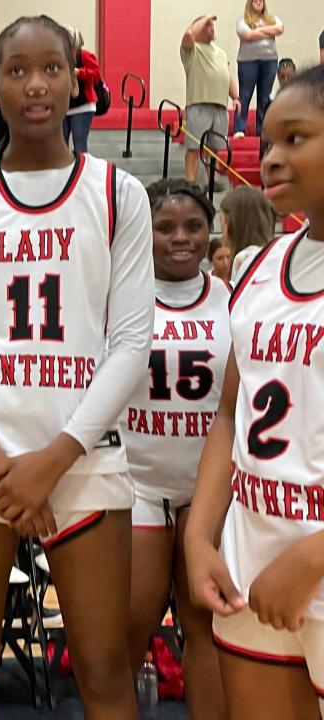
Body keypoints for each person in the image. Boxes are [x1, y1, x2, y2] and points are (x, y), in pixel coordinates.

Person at [0, 15, 154, 719]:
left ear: (75, 78)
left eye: (51, 67)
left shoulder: (118, 194)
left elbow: (131, 343)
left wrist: (51, 460)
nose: (35, 85)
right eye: (16, 70)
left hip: (81, 461)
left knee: (106, 669)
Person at [185, 63, 324, 720]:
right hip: (253, 554)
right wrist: (199, 535)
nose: (270, 157)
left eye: (295, 138)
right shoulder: (259, 267)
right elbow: (227, 416)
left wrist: (314, 556)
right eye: (267, 140)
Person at [123, 179, 230, 720]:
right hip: (138, 482)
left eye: (193, 226)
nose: (180, 238)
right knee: (130, 627)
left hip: (206, 487)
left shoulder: (233, 300)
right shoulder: (120, 298)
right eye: (165, 228)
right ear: (146, 232)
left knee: (203, 625)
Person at [181, 15, 242, 184]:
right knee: (194, 148)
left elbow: (226, 77)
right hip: (199, 105)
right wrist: (205, 18)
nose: (212, 28)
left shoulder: (220, 53)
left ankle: (212, 179)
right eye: (207, 26)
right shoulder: (192, 50)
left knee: (215, 148)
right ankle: (191, 182)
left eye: (212, 26)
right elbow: (188, 35)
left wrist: (235, 97)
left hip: (220, 107)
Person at [234, 0, 283, 138]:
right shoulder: (242, 21)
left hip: (270, 61)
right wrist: (268, 31)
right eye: (255, 1)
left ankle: (262, 130)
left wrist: (258, 30)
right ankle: (239, 129)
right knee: (245, 95)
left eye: (261, 0)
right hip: (247, 62)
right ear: (250, 4)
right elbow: (247, 35)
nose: (258, 2)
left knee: (264, 97)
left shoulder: (273, 19)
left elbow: (279, 29)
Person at [220, 185, 275, 284]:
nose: (221, 234)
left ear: (232, 225)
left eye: (222, 224)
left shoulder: (244, 258)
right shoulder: (272, 254)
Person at [65, 27, 101, 153]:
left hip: (83, 106)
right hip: (64, 107)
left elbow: (96, 76)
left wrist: (79, 72)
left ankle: (82, 170)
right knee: (61, 146)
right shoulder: (60, 57)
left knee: (79, 144)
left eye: (68, 37)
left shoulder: (84, 55)